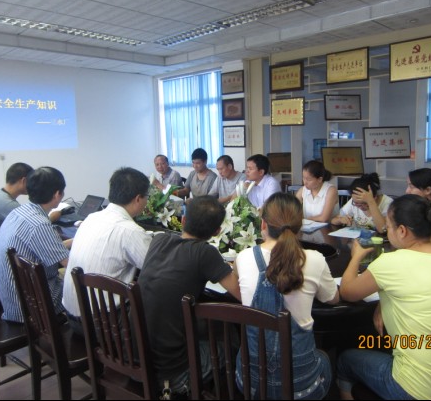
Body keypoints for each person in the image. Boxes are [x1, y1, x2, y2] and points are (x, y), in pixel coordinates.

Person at [337, 194, 431, 400]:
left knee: (345, 360)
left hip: (416, 390)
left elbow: (347, 291)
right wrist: (382, 304)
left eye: (389, 226)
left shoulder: (391, 262)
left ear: (402, 231)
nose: (387, 230)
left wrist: (356, 257)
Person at [235, 192, 339, 399]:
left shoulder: (243, 257)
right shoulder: (315, 259)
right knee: (325, 358)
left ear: (263, 224)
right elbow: (333, 299)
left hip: (252, 385)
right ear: (300, 227)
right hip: (301, 389)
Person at [137, 195, 241, 396]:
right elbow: (241, 294)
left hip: (137, 359)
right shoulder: (205, 252)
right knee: (232, 339)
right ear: (217, 231)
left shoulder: (158, 240)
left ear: (183, 220)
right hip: (171, 375)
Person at [62, 167, 153, 334]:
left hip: (72, 318)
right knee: (159, 300)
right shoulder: (130, 231)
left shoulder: (91, 218)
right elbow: (156, 269)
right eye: (147, 196)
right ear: (138, 198)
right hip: (104, 326)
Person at [0, 167, 72, 323]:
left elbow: (51, 247)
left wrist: (76, 240)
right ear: (57, 194)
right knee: (88, 288)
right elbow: (70, 264)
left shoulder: (19, 212)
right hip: (32, 307)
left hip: (14, 300)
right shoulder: (39, 225)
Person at [0, 162, 33, 254]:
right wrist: (52, 217)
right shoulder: (7, 203)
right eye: (31, 181)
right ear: (24, 181)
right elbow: (33, 226)